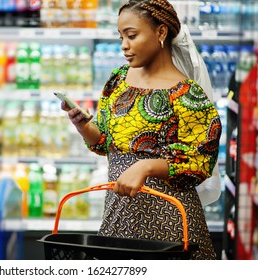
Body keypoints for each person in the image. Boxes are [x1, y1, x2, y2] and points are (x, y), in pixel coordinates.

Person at [60, 0, 222, 260]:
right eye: (121, 36)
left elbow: (199, 163)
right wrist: (82, 126)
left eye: (132, 35)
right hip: (119, 216)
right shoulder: (117, 81)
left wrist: (146, 167)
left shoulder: (188, 95)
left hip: (169, 224)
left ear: (160, 33)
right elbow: (103, 142)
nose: (124, 44)